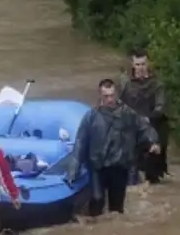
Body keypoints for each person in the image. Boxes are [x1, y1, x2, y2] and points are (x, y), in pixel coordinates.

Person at [68, 79, 160, 217]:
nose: (110, 100)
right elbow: (81, 142)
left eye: (112, 95)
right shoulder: (91, 117)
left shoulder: (128, 114)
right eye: (106, 96)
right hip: (98, 167)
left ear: (116, 94)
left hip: (119, 166)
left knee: (116, 209)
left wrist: (153, 141)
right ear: (100, 96)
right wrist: (73, 170)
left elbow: (144, 127)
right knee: (97, 201)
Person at [119, 48, 168, 184]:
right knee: (130, 166)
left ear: (148, 64)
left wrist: (149, 118)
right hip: (132, 125)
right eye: (138, 64)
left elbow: (161, 106)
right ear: (133, 64)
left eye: (143, 64)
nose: (141, 68)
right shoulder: (125, 83)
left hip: (154, 124)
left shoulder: (157, 83)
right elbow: (118, 104)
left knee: (153, 171)